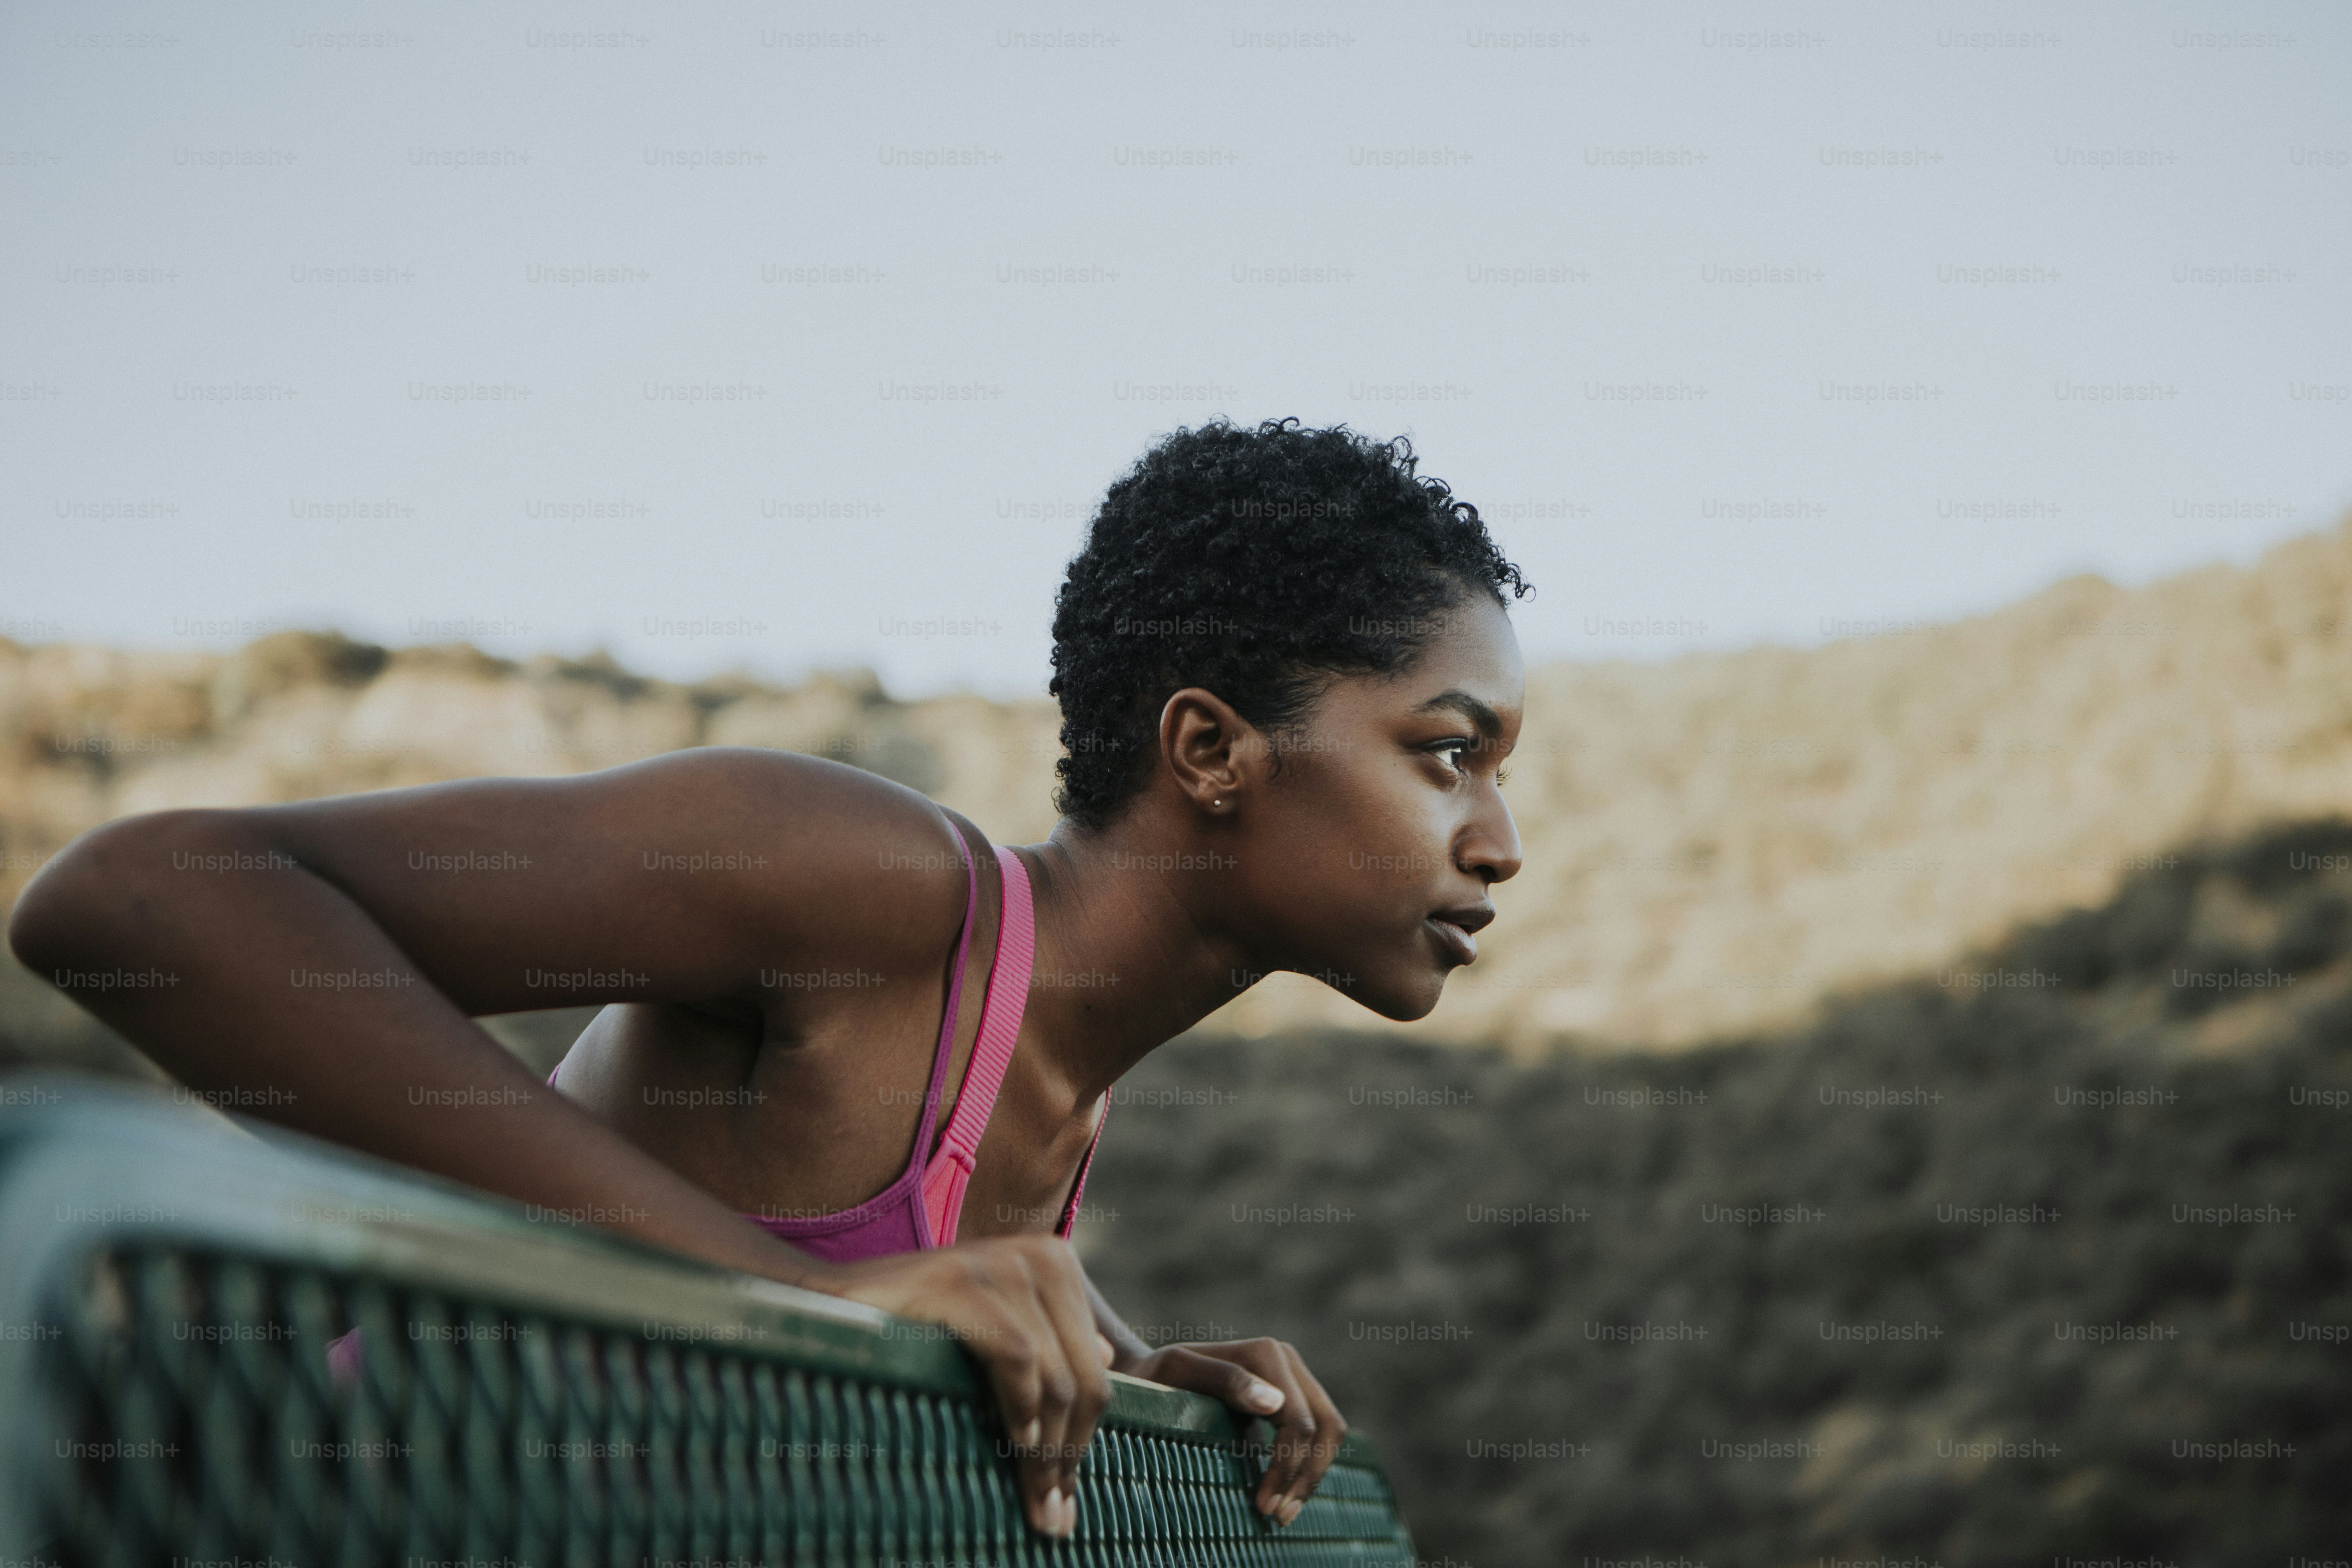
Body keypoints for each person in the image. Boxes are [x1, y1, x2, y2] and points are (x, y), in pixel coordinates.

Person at [8, 416, 1528, 1540]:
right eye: (1450, 752)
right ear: (1209, 750)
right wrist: (806, 1307)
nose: (1501, 841)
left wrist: (1139, 1381)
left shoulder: (1063, 1087)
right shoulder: (870, 884)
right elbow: (139, 902)